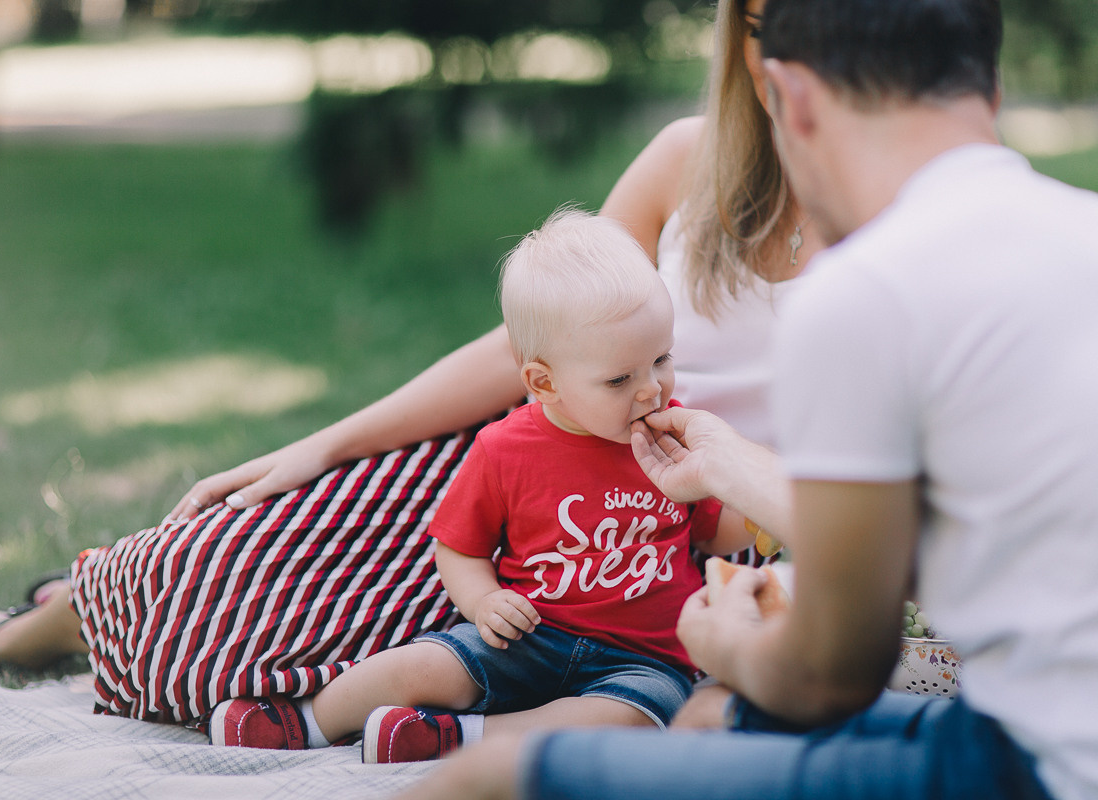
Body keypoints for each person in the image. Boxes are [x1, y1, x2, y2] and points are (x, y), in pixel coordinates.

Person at [0, 0, 804, 727]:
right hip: (538, 458)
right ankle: (26, 629)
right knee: (225, 555)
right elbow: (540, 343)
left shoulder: (882, 227)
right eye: (760, 26)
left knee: (252, 664)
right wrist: (328, 445)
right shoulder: (687, 157)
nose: (780, 59)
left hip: (684, 533)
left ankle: (69, 614)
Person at [392, 0, 1098, 798]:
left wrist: (720, 642)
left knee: (488, 780)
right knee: (710, 721)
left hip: (1043, 765)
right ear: (991, 87)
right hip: (1028, 716)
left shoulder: (863, 293)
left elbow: (828, 676)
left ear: (787, 96)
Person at [206, 208, 759, 760]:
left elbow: (713, 534)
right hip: (526, 636)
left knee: (635, 718)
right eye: (619, 379)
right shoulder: (505, 449)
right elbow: (459, 547)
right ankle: (308, 721)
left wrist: (764, 510)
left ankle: (453, 738)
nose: (651, 390)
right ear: (544, 382)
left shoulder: (674, 440)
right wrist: (484, 600)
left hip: (643, 659)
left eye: (661, 359)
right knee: (420, 664)